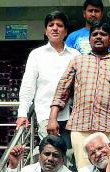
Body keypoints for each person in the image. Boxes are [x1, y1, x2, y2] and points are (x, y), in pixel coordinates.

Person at [50, 22, 110, 169]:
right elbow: (62, 90)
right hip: (81, 126)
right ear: (89, 39)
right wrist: (52, 118)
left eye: (103, 34)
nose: (98, 37)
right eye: (95, 34)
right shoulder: (77, 61)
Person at [17, 11, 79, 144]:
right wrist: (22, 113)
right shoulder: (36, 55)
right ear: (46, 31)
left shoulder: (75, 55)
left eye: (60, 25)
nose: (55, 28)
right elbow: (28, 86)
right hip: (46, 115)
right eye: (51, 25)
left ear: (66, 31)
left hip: (73, 117)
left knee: (70, 159)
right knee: (51, 157)